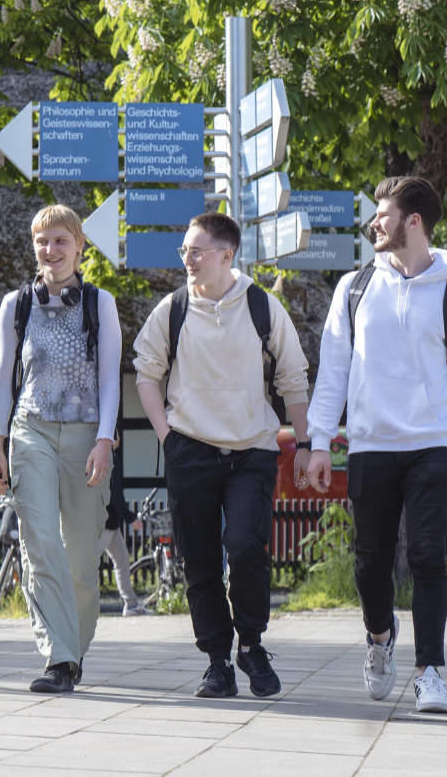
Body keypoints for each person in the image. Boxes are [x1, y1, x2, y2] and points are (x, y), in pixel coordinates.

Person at [306, 175, 447, 714]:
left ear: (413, 221)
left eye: (383, 214)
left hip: (434, 442)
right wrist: (321, 440)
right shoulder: (355, 288)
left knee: (426, 555)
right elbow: (334, 370)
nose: (374, 223)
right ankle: (379, 638)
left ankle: (429, 672)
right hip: (370, 444)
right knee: (369, 562)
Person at [133, 211, 311, 699]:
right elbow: (147, 374)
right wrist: (168, 436)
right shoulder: (172, 309)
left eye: (196, 251)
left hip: (251, 449)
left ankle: (251, 644)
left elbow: (293, 379)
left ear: (226, 255)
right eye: (184, 251)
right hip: (190, 448)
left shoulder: (263, 308)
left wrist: (306, 443)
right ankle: (217, 660)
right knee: (201, 560)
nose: (187, 259)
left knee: (246, 546)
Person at [0, 204, 121, 694]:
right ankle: (57, 657)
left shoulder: (99, 303)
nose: (52, 250)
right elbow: (4, 380)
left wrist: (105, 439)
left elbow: (111, 380)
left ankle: (74, 650)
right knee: (40, 543)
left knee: (81, 560)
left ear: (80, 246)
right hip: (31, 431)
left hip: (86, 436)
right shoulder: (15, 304)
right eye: (43, 241)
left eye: (61, 240)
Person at [98, 483, 150, 616]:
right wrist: (130, 518)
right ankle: (75, 603)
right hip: (104, 523)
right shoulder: (113, 461)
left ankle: (131, 604)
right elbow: (114, 493)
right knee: (87, 565)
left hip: (111, 523)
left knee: (122, 561)